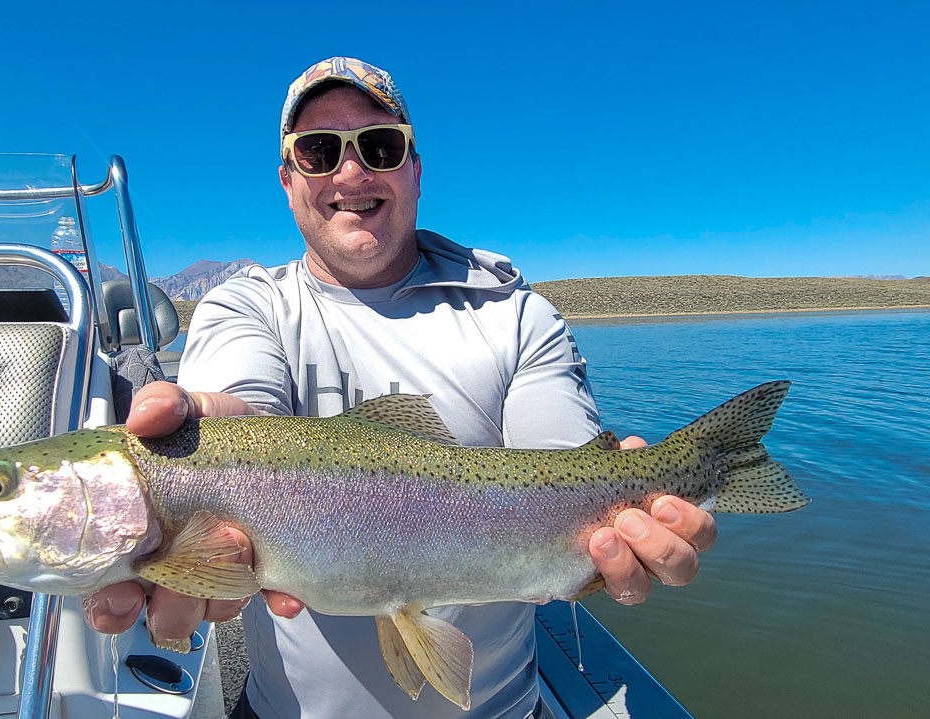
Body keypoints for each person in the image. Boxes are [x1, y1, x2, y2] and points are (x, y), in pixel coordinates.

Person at [85, 57, 717, 718]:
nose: (351, 172)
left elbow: (563, 470)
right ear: (288, 179)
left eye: (380, 147)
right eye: (320, 150)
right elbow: (244, 407)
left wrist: (623, 525)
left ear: (414, 168)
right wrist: (217, 439)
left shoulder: (512, 310)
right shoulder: (243, 306)